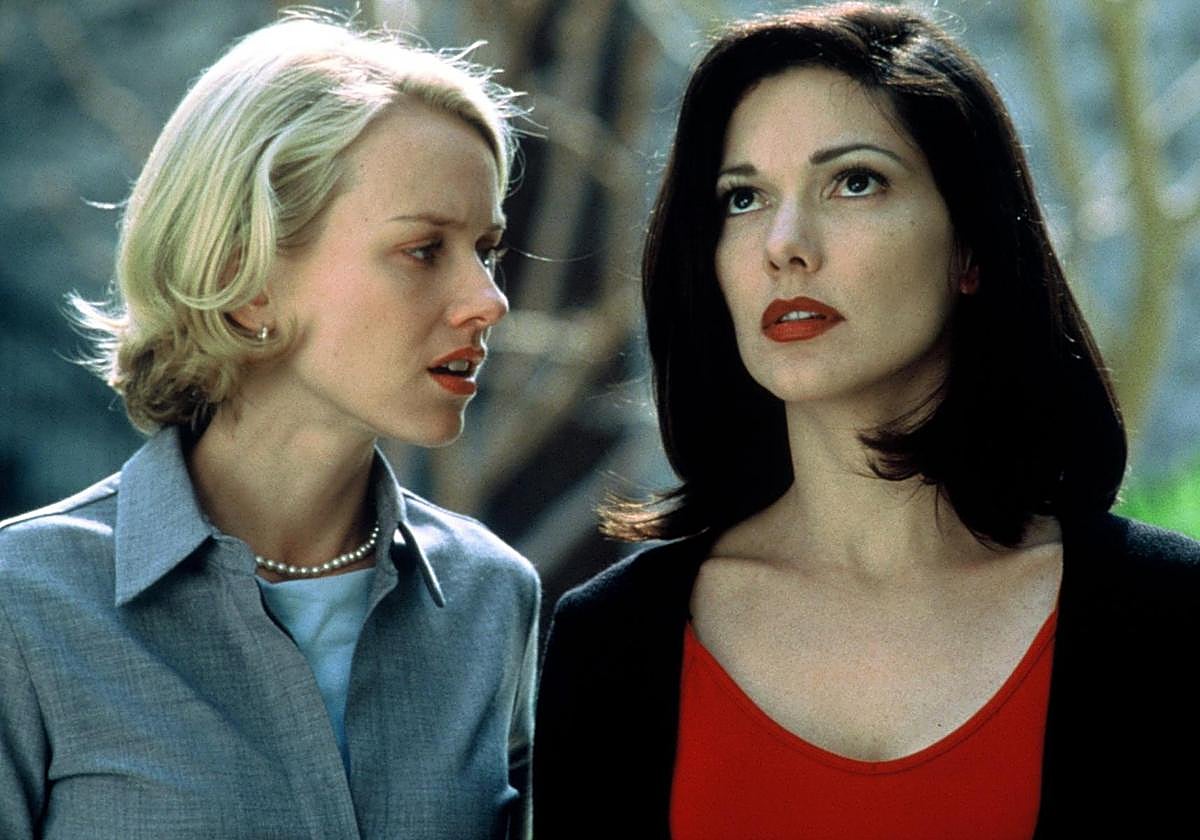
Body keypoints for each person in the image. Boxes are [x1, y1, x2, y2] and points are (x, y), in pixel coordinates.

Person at [534, 3, 1200, 837]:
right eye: (743, 198)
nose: (784, 244)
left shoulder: (1165, 614)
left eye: (854, 182)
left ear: (971, 247)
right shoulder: (613, 640)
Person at [0, 13, 539, 839]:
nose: (488, 300)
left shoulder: (493, 599)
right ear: (245, 277)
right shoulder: (25, 605)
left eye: (487, 249)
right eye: (425, 249)